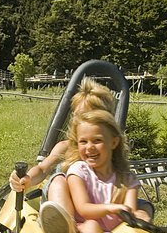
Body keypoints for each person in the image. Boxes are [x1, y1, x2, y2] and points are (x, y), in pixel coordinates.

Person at [9, 76, 117, 219]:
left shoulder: (109, 152)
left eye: (90, 118)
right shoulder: (65, 147)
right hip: (60, 205)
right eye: (78, 117)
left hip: (93, 209)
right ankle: (64, 226)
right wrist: (27, 179)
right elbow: (42, 169)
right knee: (59, 180)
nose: (83, 123)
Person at [49, 109, 140, 233]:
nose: (89, 147)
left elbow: (130, 212)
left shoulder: (127, 180)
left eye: (97, 140)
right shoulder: (79, 171)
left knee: (135, 230)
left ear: (114, 142)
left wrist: (139, 215)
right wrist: (112, 208)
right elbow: (84, 209)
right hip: (82, 231)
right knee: (92, 226)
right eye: (83, 142)